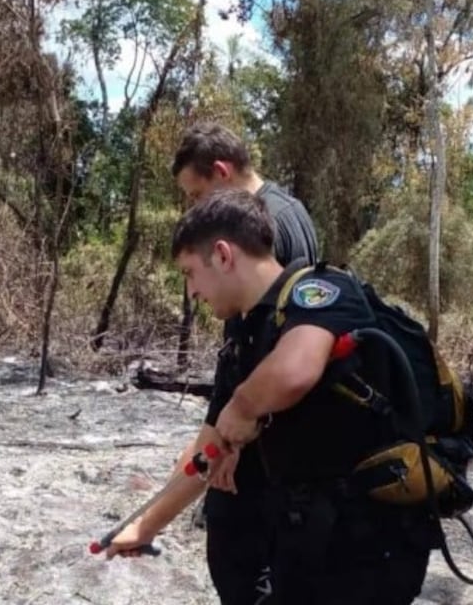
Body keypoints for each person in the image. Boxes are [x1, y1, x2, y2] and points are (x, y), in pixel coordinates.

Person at [172, 188, 439, 604]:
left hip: (372, 546)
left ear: (223, 255)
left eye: (190, 272)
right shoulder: (250, 330)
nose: (191, 291)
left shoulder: (320, 288)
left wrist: (243, 407)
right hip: (314, 542)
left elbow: (296, 369)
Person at [104, 123, 318, 605]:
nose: (194, 210)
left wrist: (243, 428)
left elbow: (283, 351)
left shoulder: (267, 225)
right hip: (252, 430)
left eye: (196, 195)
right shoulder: (289, 212)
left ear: (221, 172)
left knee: (243, 561)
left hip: (258, 448)